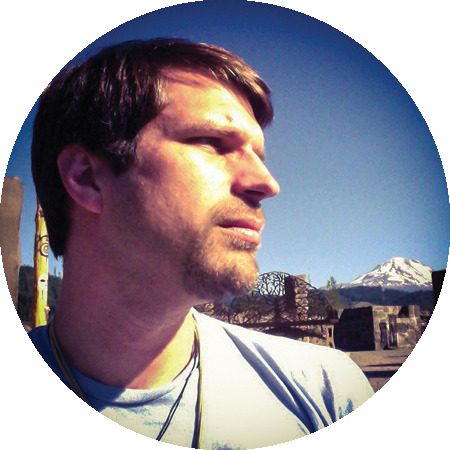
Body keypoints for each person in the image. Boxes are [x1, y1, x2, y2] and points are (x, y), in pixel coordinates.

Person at [28, 38, 373, 449]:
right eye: (212, 142)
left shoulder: (325, 392)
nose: (267, 183)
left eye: (259, 155)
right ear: (87, 177)